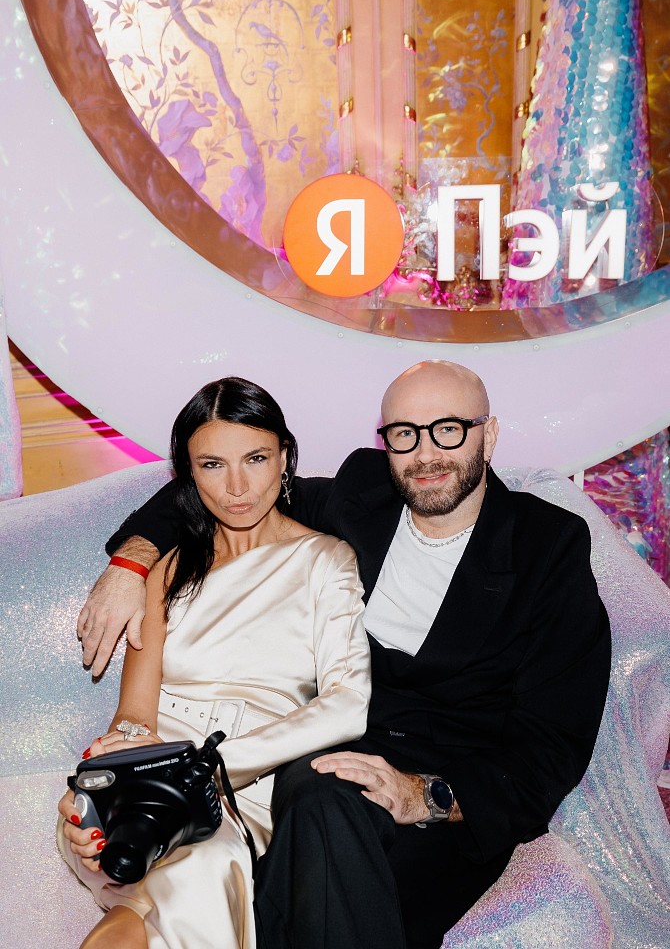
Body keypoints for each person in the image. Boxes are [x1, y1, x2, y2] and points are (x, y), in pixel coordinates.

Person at [78, 360, 611, 949]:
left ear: (489, 435)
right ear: (385, 443)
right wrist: (130, 564)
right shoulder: (362, 495)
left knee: (306, 845)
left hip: (446, 788)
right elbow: (221, 486)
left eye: (449, 429)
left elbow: (552, 747)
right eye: (405, 433)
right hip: (327, 761)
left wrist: (427, 796)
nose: (426, 453)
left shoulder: (547, 547)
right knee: (316, 794)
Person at [58, 376, 370, 949]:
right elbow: (134, 718)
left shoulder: (327, 561)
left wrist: (211, 768)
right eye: (212, 465)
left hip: (243, 793)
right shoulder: (167, 570)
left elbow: (348, 706)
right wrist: (103, 785)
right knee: (156, 866)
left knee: (196, 871)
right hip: (147, 784)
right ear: (189, 473)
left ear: (285, 457)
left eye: (256, 458)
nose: (237, 487)